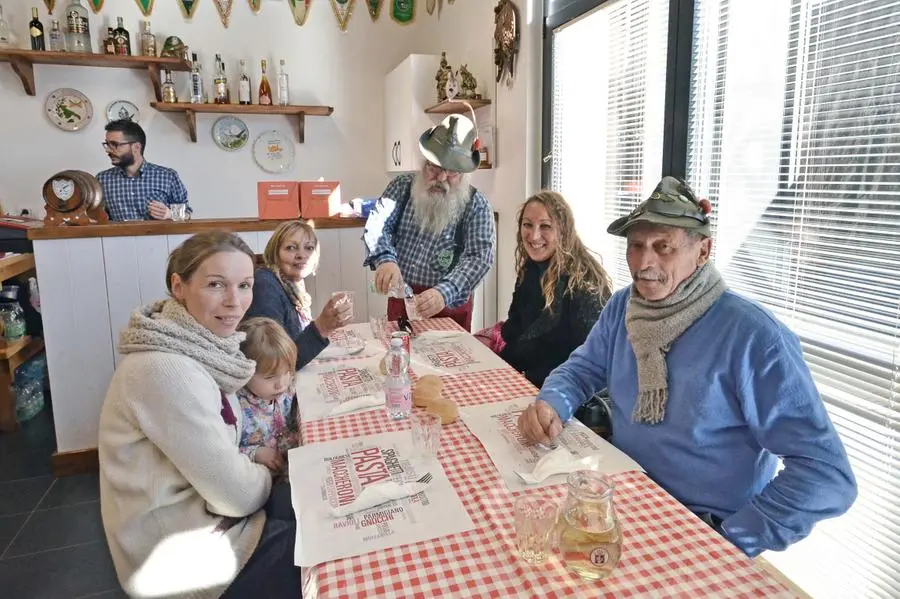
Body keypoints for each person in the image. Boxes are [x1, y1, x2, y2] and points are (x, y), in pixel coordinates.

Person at [517, 176, 857, 557]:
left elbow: (826, 476)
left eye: (663, 247)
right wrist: (551, 402)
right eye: (636, 246)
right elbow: (581, 369)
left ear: (703, 250)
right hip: (626, 499)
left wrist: (730, 538)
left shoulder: (754, 337)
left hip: (702, 526)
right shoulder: (622, 307)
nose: (645, 262)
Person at [98, 230, 298, 599]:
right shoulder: (165, 369)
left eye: (244, 285)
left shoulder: (202, 348)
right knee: (324, 547)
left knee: (312, 503)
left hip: (209, 518)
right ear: (179, 286)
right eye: (216, 285)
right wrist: (268, 473)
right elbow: (234, 495)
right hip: (181, 555)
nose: (235, 302)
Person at [363, 113, 496, 331]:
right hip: (402, 300)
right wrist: (385, 259)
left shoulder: (477, 205)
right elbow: (377, 226)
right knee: (400, 358)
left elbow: (479, 259)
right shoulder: (401, 187)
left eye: (452, 171)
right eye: (434, 167)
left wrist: (444, 292)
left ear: (464, 173)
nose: (441, 178)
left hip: (448, 305)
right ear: (424, 163)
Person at [494, 190, 613, 387]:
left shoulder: (584, 283)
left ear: (563, 230)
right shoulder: (530, 268)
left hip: (566, 393)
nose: (534, 235)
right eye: (528, 225)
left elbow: (592, 362)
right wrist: (498, 371)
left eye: (546, 226)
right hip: (528, 380)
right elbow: (515, 330)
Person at [244, 220, 352, 370]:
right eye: (291, 248)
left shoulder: (294, 288)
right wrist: (321, 328)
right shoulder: (265, 285)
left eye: (309, 248)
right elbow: (274, 363)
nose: (301, 255)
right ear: (275, 254)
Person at [237, 317, 299, 476]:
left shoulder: (286, 387)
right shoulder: (237, 407)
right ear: (245, 371)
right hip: (268, 477)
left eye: (287, 372)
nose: (281, 384)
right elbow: (229, 453)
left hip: (294, 458)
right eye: (270, 377)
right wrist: (256, 452)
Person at [97, 119, 191, 222]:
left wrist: (170, 214)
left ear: (136, 147)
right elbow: (98, 217)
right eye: (107, 144)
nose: (108, 150)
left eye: (114, 144)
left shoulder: (167, 176)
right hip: (118, 238)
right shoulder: (102, 180)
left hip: (160, 237)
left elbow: (187, 214)